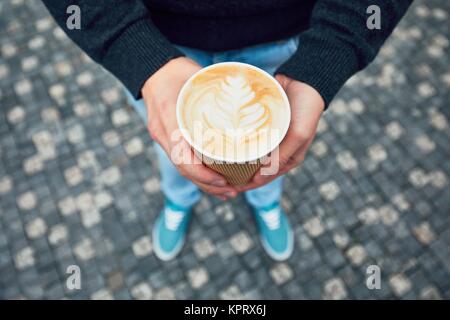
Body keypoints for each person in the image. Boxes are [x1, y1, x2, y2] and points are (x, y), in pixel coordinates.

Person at [43, 0, 412, 261]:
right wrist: (130, 45)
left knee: (274, 146)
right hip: (155, 34)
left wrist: (333, 50)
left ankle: (265, 201)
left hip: (283, 32)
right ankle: (179, 200)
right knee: (172, 147)